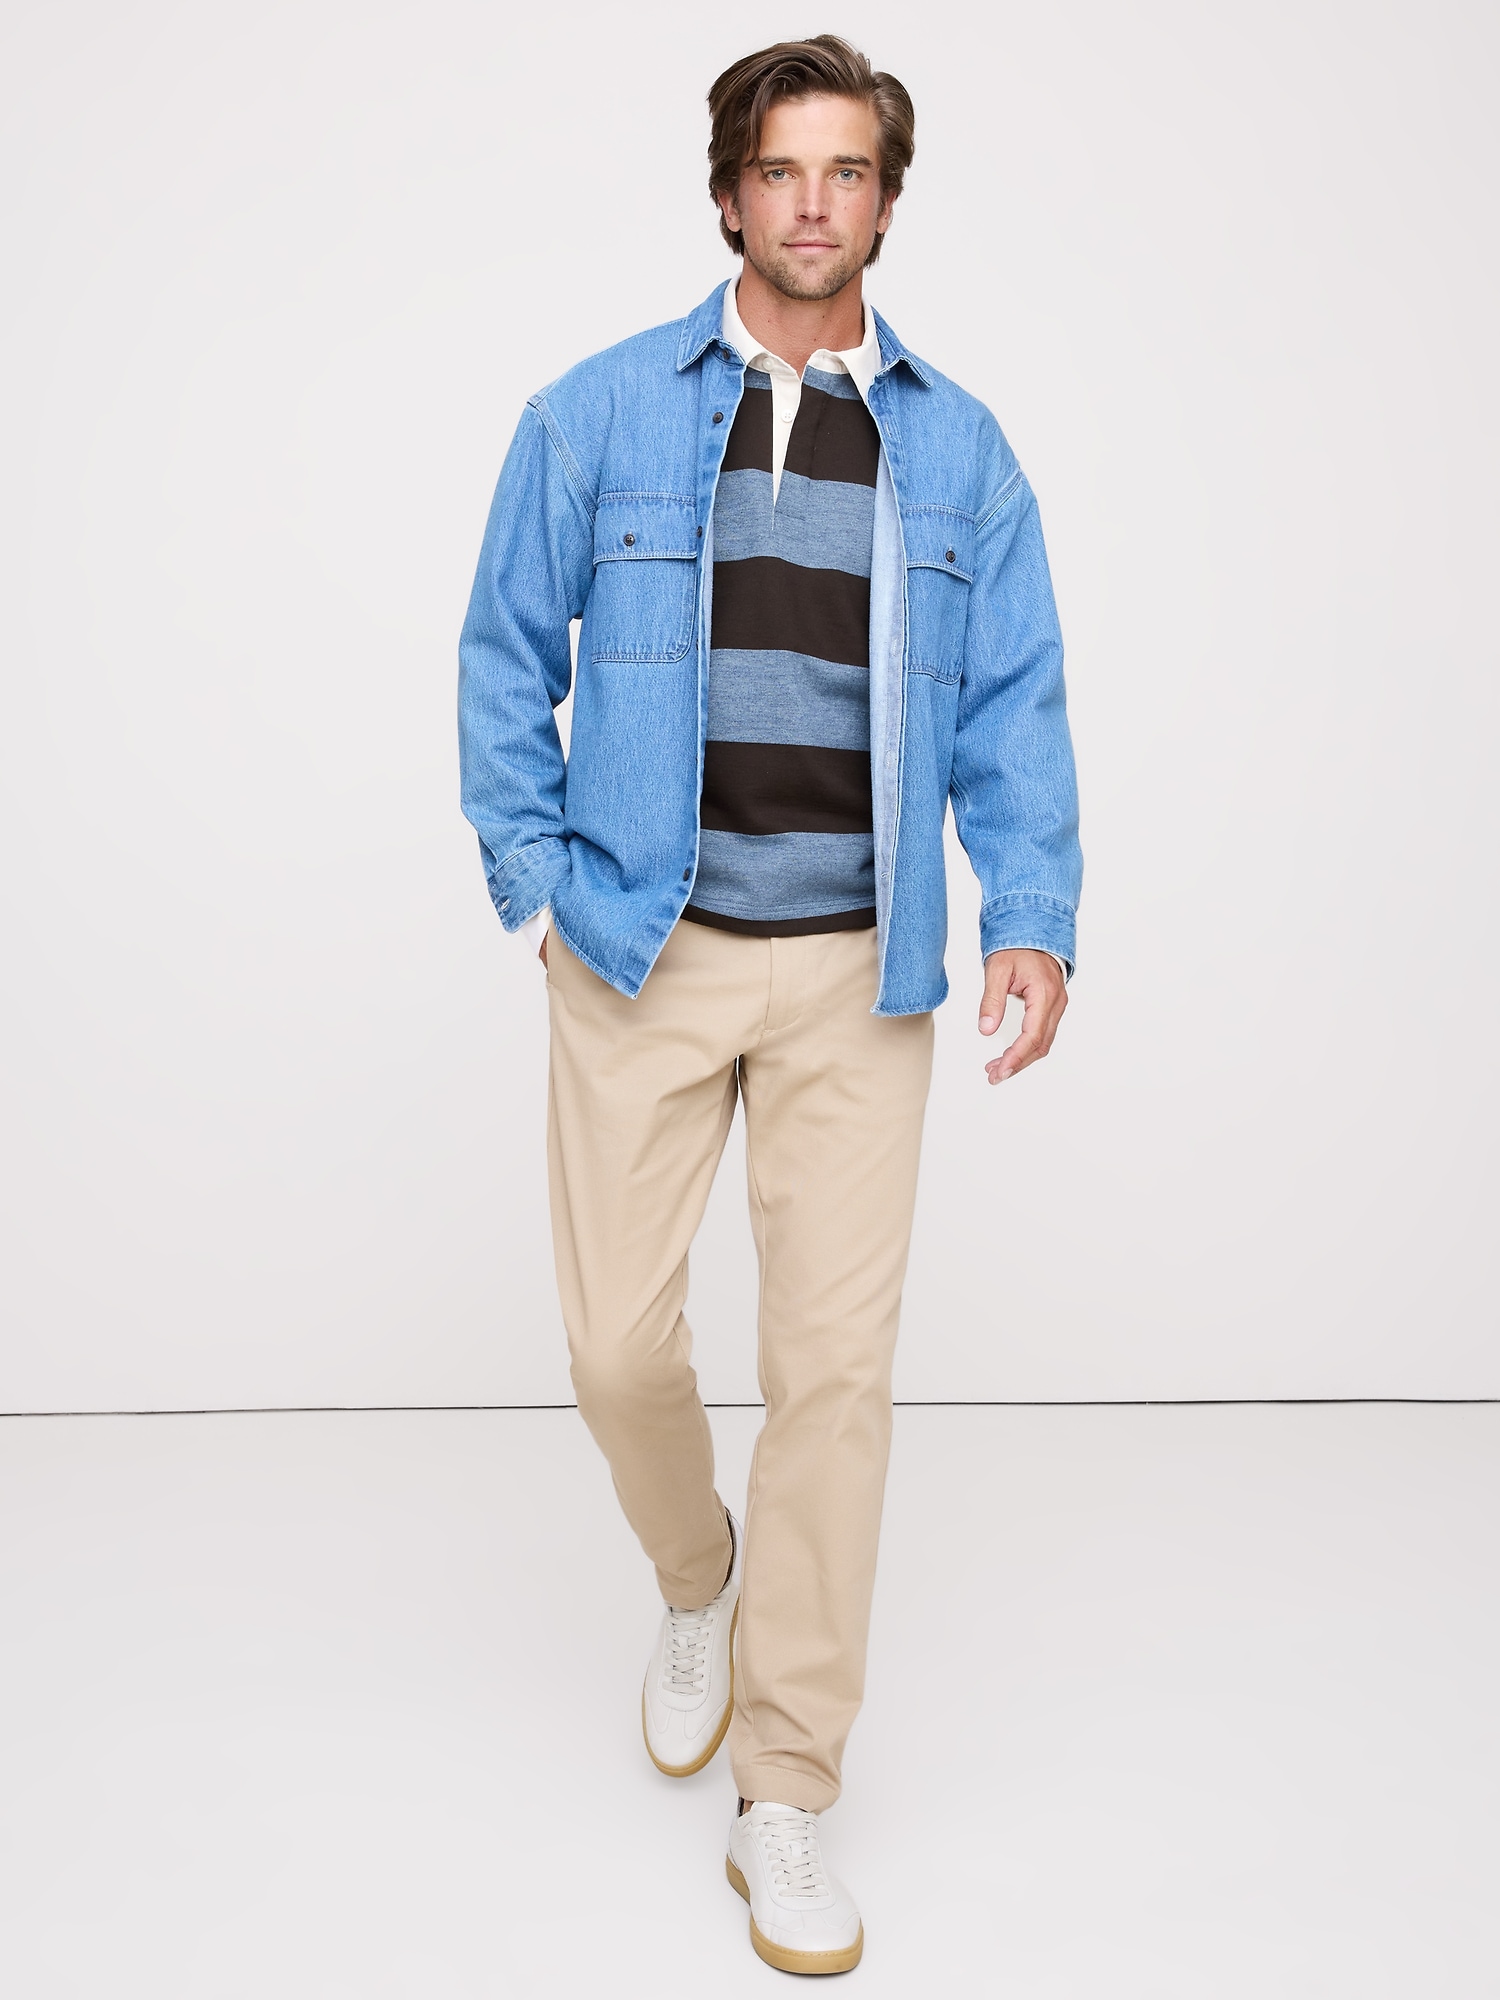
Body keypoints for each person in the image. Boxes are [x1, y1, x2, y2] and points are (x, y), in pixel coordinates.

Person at [458, 34, 1081, 1975]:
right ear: (730, 193)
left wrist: (1031, 913)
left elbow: (1017, 699)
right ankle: (695, 1573)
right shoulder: (593, 414)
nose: (816, 202)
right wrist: (541, 886)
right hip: (642, 949)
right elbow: (501, 656)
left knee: (833, 1382)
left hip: (857, 975)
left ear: (887, 199)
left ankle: (787, 1789)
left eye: (850, 170)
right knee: (614, 1348)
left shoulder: (961, 451)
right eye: (783, 169)